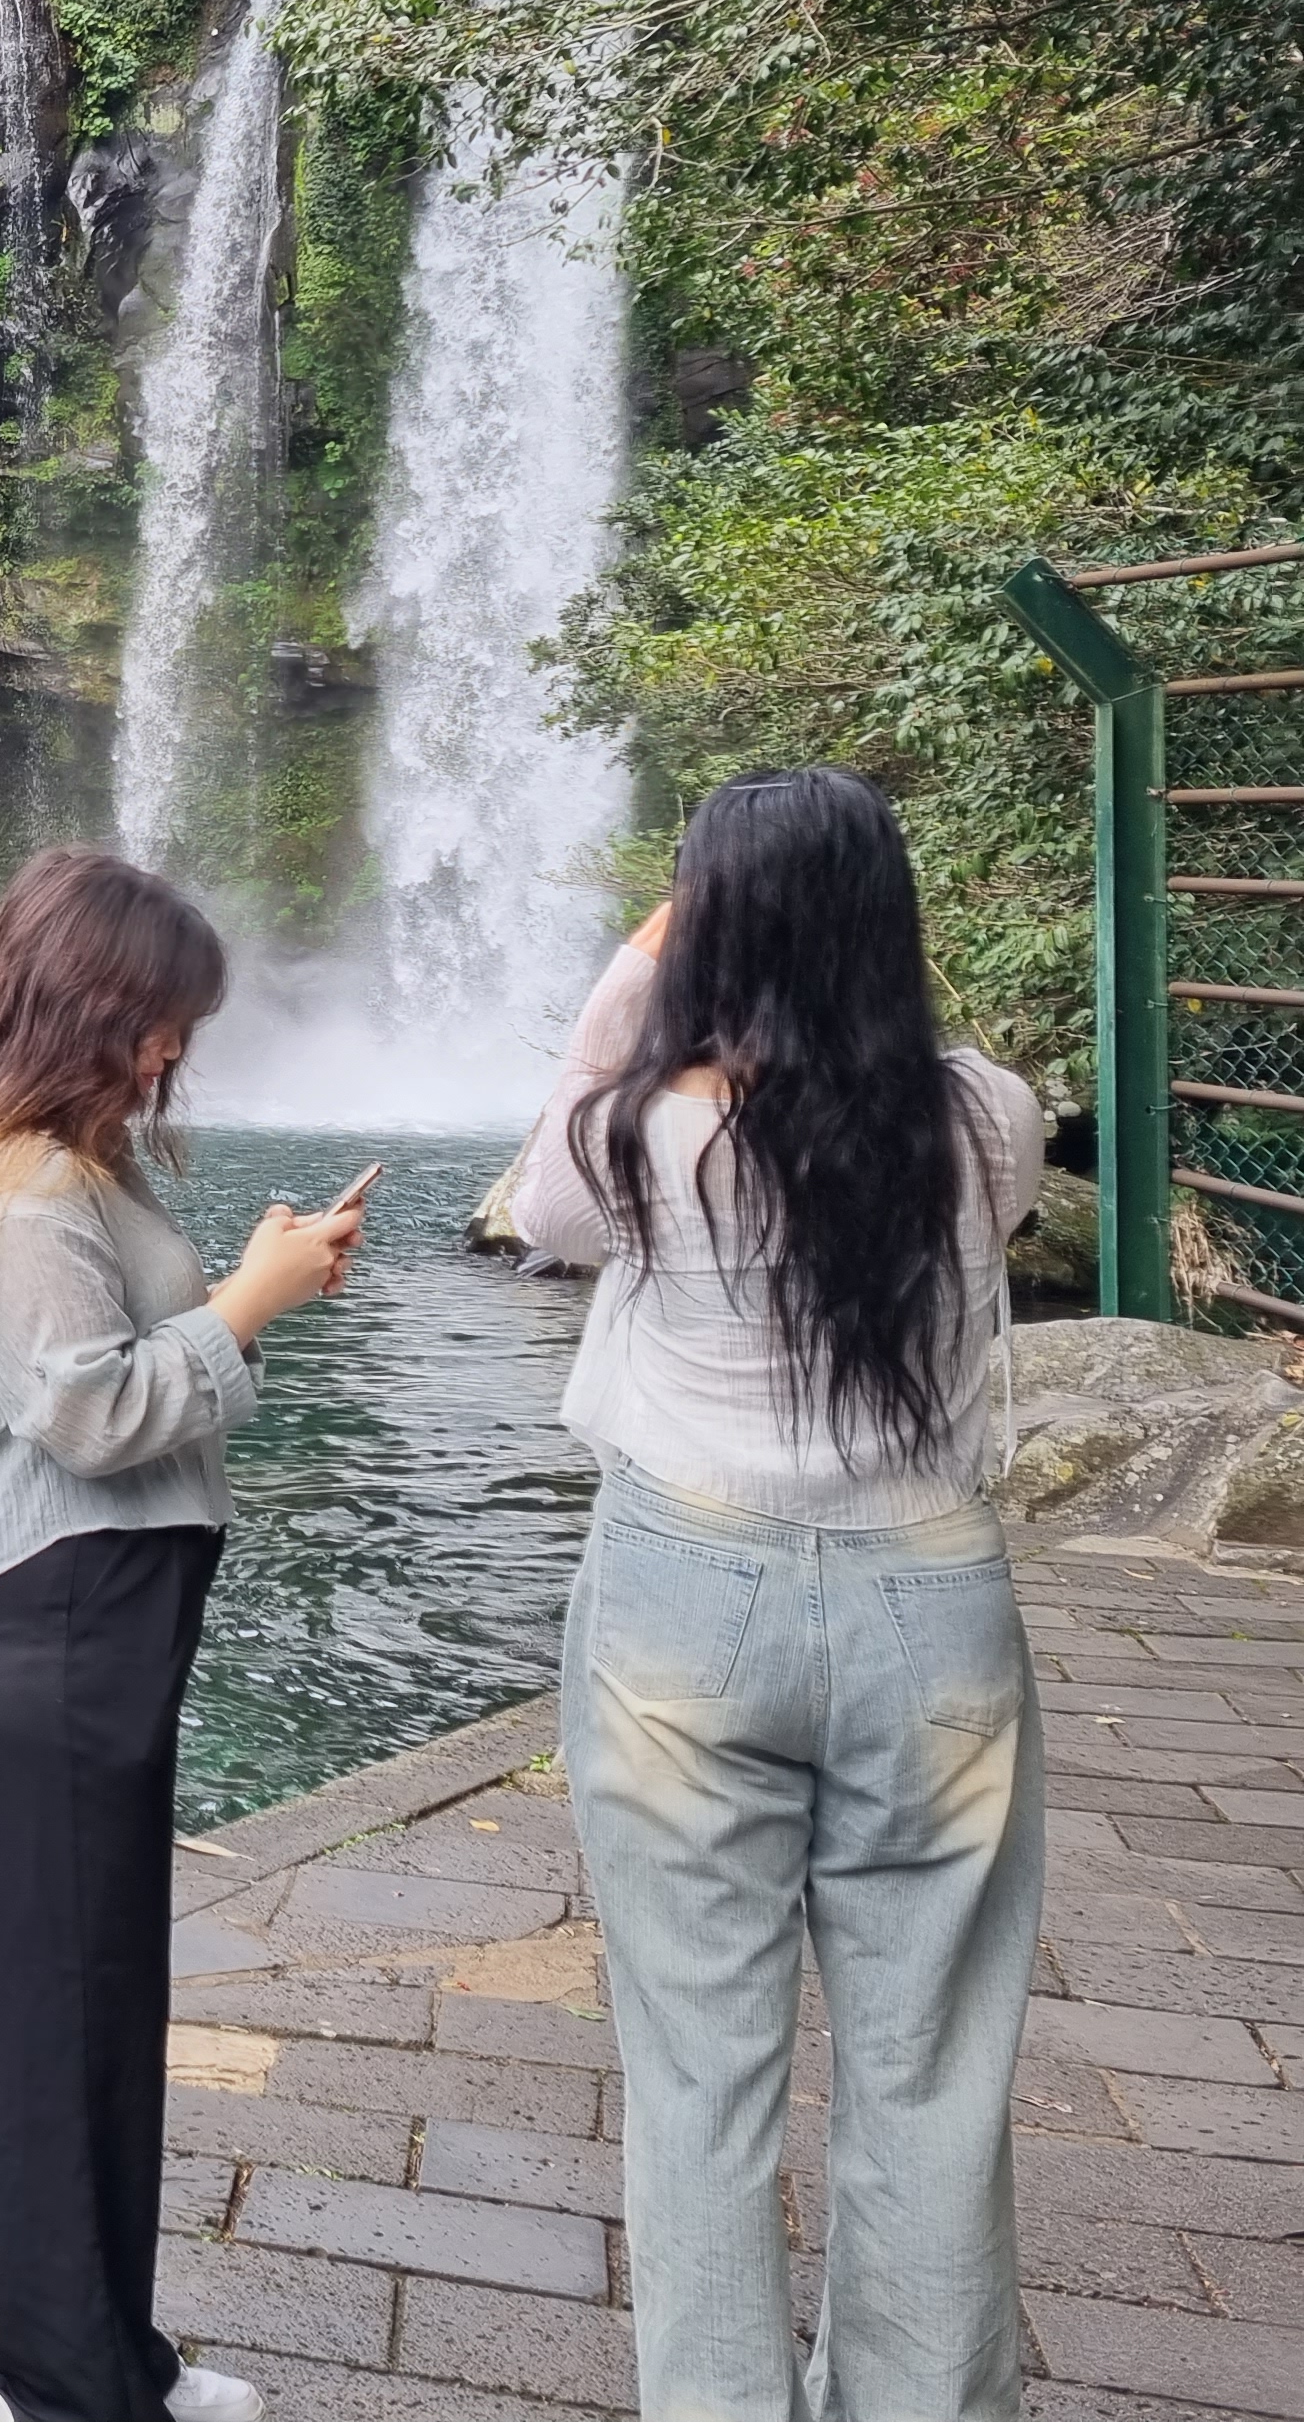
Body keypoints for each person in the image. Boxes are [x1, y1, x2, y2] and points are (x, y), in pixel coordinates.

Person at [507, 767, 1046, 2421]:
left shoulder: (645, 1132)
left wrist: (631, 981)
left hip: (684, 1605)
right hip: (933, 1606)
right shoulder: (990, 1119)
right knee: (932, 2072)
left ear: (707, 928)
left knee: (697, 2076)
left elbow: (539, 1213)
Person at [0, 847, 367, 2422]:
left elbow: (114, 1375)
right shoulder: (27, 1187)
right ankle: (56, 2390)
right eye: (160, 1020)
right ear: (85, 1007)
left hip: (83, 1630)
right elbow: (85, 1417)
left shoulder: (63, 1166)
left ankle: (107, 2361)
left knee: (97, 2009)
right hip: (49, 1628)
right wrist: (249, 1304)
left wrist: (251, 1289)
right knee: (55, 2028)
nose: (172, 1051)